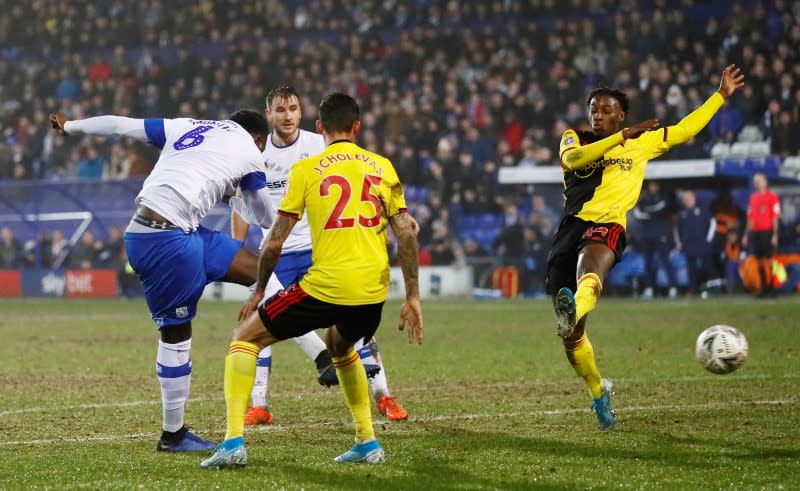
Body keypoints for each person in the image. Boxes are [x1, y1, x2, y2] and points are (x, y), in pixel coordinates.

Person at [201, 93, 423, 469]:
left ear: (319, 127)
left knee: (244, 338)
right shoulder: (383, 166)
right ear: (357, 127)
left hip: (325, 286)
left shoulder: (308, 168)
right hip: (372, 293)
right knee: (340, 344)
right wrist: (413, 297)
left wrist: (258, 289)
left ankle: (232, 441)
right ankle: (367, 441)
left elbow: (274, 240)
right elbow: (407, 233)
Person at [50, 109, 277, 452]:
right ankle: (173, 435)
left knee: (262, 274)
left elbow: (119, 124)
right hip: (162, 241)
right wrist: (266, 215)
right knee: (176, 333)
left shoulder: (185, 125)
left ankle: (318, 359)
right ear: (258, 138)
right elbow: (265, 216)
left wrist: (70, 126)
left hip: (182, 231)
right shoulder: (249, 149)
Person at [545, 65, 744, 430]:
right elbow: (572, 161)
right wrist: (621, 137)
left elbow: (684, 129)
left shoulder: (642, 142)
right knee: (573, 338)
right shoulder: (575, 138)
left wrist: (720, 96)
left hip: (609, 226)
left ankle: (573, 306)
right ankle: (597, 390)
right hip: (571, 228)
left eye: (606, 110)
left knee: (590, 271)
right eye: (594, 109)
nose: (598, 115)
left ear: (621, 115)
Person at [632, 181, 678, 299]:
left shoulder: (662, 198)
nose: (653, 187)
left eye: (655, 185)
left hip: (660, 235)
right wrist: (652, 214)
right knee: (648, 264)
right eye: (651, 185)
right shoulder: (643, 199)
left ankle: (672, 288)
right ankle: (650, 289)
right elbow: (637, 213)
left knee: (665, 261)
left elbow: (661, 208)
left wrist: (648, 213)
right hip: (647, 235)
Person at [742, 172, 780, 297]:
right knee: (759, 261)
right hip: (756, 232)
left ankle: (773, 287)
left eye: (759, 180)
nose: (757, 183)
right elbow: (750, 217)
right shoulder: (753, 197)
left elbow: (775, 217)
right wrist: (746, 235)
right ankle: (763, 288)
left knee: (770, 261)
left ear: (765, 182)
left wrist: (775, 234)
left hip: (767, 232)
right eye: (755, 181)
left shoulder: (772, 197)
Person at [675, 190, 715, 296]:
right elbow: (676, 230)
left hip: (703, 244)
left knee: (706, 267)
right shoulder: (681, 214)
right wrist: (679, 243)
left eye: (690, 198)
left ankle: (708, 289)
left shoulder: (703, 210)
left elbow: (712, 223)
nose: (688, 201)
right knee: (691, 269)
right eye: (686, 199)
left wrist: (708, 239)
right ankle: (693, 290)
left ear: (694, 199)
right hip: (688, 245)